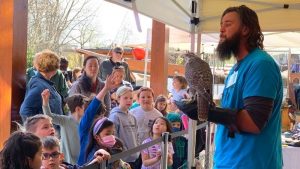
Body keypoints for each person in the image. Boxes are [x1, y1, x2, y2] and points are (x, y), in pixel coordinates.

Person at [209, 5, 283, 168]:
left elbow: (254, 123)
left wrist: (209, 113)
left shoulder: (261, 64)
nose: (221, 30)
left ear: (245, 30)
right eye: (221, 25)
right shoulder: (236, 68)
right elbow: (231, 111)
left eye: (228, 24)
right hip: (227, 162)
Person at [77, 73, 119, 165]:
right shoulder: (85, 128)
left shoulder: (107, 144)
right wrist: (105, 89)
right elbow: (92, 108)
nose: (101, 119)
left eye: (103, 115)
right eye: (98, 116)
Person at [42, 89, 89, 164]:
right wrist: (45, 102)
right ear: (78, 109)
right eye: (85, 108)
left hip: (81, 162)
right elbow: (49, 116)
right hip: (67, 162)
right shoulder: (65, 120)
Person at [20, 50, 64, 122]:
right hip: (47, 132)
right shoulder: (39, 86)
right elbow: (25, 111)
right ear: (54, 67)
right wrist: (36, 129)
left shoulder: (43, 83)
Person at [109, 86, 139, 167]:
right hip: (122, 160)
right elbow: (114, 138)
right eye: (125, 98)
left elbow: (137, 135)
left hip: (134, 157)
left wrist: (137, 150)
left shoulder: (133, 117)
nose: (129, 100)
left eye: (131, 98)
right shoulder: (114, 116)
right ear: (118, 99)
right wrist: (124, 152)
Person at [41, 136, 109, 169]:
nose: (50, 159)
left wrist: (96, 158)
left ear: (61, 156)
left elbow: (83, 168)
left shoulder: (67, 167)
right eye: (45, 155)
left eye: (54, 154)